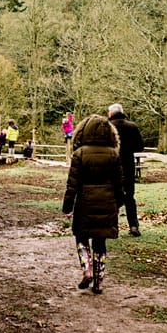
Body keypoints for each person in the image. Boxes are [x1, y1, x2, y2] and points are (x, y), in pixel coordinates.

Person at [62, 114, 124, 294]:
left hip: (85, 202)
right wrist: (118, 203)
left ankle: (86, 269)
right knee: (100, 242)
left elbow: (72, 184)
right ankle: (98, 282)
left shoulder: (80, 154)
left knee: (81, 237)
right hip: (107, 202)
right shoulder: (114, 154)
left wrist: (67, 206)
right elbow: (119, 183)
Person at [107, 103, 145, 237]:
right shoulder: (132, 127)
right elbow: (139, 146)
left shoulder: (107, 127)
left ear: (111, 113)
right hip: (128, 165)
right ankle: (134, 225)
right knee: (129, 196)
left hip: (111, 165)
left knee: (112, 197)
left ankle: (113, 226)